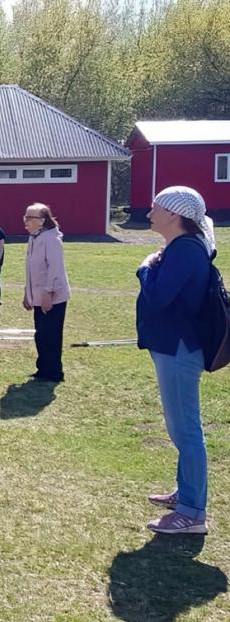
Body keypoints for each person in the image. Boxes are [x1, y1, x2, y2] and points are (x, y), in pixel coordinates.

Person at [137, 186, 215, 535]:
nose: (149, 212)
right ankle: (186, 494)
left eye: (156, 207)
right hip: (174, 346)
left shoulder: (185, 250)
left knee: (185, 430)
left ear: (174, 214)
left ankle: (192, 513)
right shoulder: (182, 247)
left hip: (180, 349)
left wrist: (145, 268)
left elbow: (159, 297)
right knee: (180, 427)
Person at [23, 203, 71, 382]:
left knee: (50, 334)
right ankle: (43, 368)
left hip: (52, 296)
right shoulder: (34, 237)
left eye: (30, 217)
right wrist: (27, 294)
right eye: (25, 216)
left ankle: (53, 372)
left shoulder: (51, 238)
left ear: (42, 221)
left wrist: (48, 294)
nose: (26, 221)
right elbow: (32, 270)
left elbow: (55, 268)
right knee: (40, 333)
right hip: (37, 295)